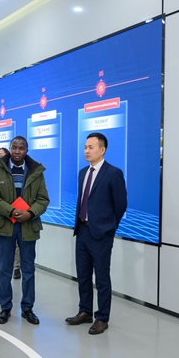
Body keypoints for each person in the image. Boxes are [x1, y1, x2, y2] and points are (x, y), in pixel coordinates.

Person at [65, 132, 127, 335]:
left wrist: (109, 227)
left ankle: (102, 318)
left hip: (101, 234)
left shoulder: (113, 173)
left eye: (91, 147)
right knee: (83, 275)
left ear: (102, 150)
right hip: (82, 231)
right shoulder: (83, 172)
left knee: (101, 278)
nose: (86, 151)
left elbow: (121, 204)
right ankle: (85, 311)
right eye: (85, 147)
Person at [0, 136, 50, 325]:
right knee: (5, 268)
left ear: (26, 151)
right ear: (9, 149)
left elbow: (43, 199)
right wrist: (11, 211)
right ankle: (5, 307)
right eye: (14, 147)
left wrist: (30, 213)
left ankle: (27, 308)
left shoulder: (36, 171)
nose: (17, 151)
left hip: (28, 225)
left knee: (28, 269)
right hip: (4, 224)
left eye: (21, 148)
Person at [0, 147, 22, 280]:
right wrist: (8, 210)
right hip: (2, 217)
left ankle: (16, 267)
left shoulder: (23, 170)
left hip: (22, 215)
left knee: (17, 246)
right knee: (1, 250)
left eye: (1, 155)